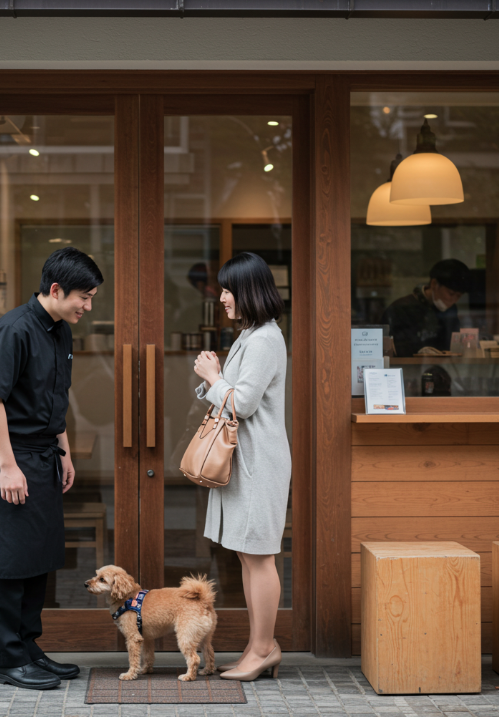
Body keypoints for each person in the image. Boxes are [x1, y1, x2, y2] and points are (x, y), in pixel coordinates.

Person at [0, 247, 103, 690]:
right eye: (83, 297)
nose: (87, 306)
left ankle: (29, 649)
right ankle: (7, 660)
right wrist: (8, 467)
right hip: (13, 455)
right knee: (10, 560)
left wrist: (64, 450)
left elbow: (56, 397)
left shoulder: (60, 331)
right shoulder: (13, 330)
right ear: (55, 289)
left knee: (36, 558)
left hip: (45, 454)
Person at [192, 252, 291, 682]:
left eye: (229, 290)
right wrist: (214, 379)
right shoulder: (253, 334)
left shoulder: (265, 338)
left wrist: (214, 378)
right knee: (249, 556)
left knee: (259, 557)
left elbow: (244, 403)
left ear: (249, 291)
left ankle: (264, 649)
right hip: (248, 461)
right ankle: (257, 647)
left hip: (258, 463)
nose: (223, 298)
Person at [381, 258, 470, 357]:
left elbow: (452, 345)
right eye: (451, 293)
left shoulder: (451, 310)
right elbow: (390, 351)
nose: (453, 300)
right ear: (434, 284)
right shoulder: (400, 308)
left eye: (458, 296)